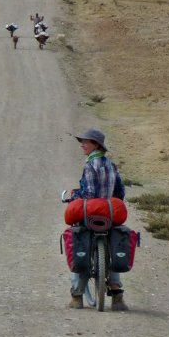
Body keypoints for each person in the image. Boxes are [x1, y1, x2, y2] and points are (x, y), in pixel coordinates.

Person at [67, 128, 128, 311]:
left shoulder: (90, 165)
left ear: (96, 145)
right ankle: (117, 297)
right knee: (114, 244)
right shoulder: (111, 165)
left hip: (91, 214)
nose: (82, 145)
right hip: (109, 215)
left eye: (86, 142)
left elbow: (89, 193)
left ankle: (77, 297)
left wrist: (74, 197)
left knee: (81, 244)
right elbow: (120, 191)